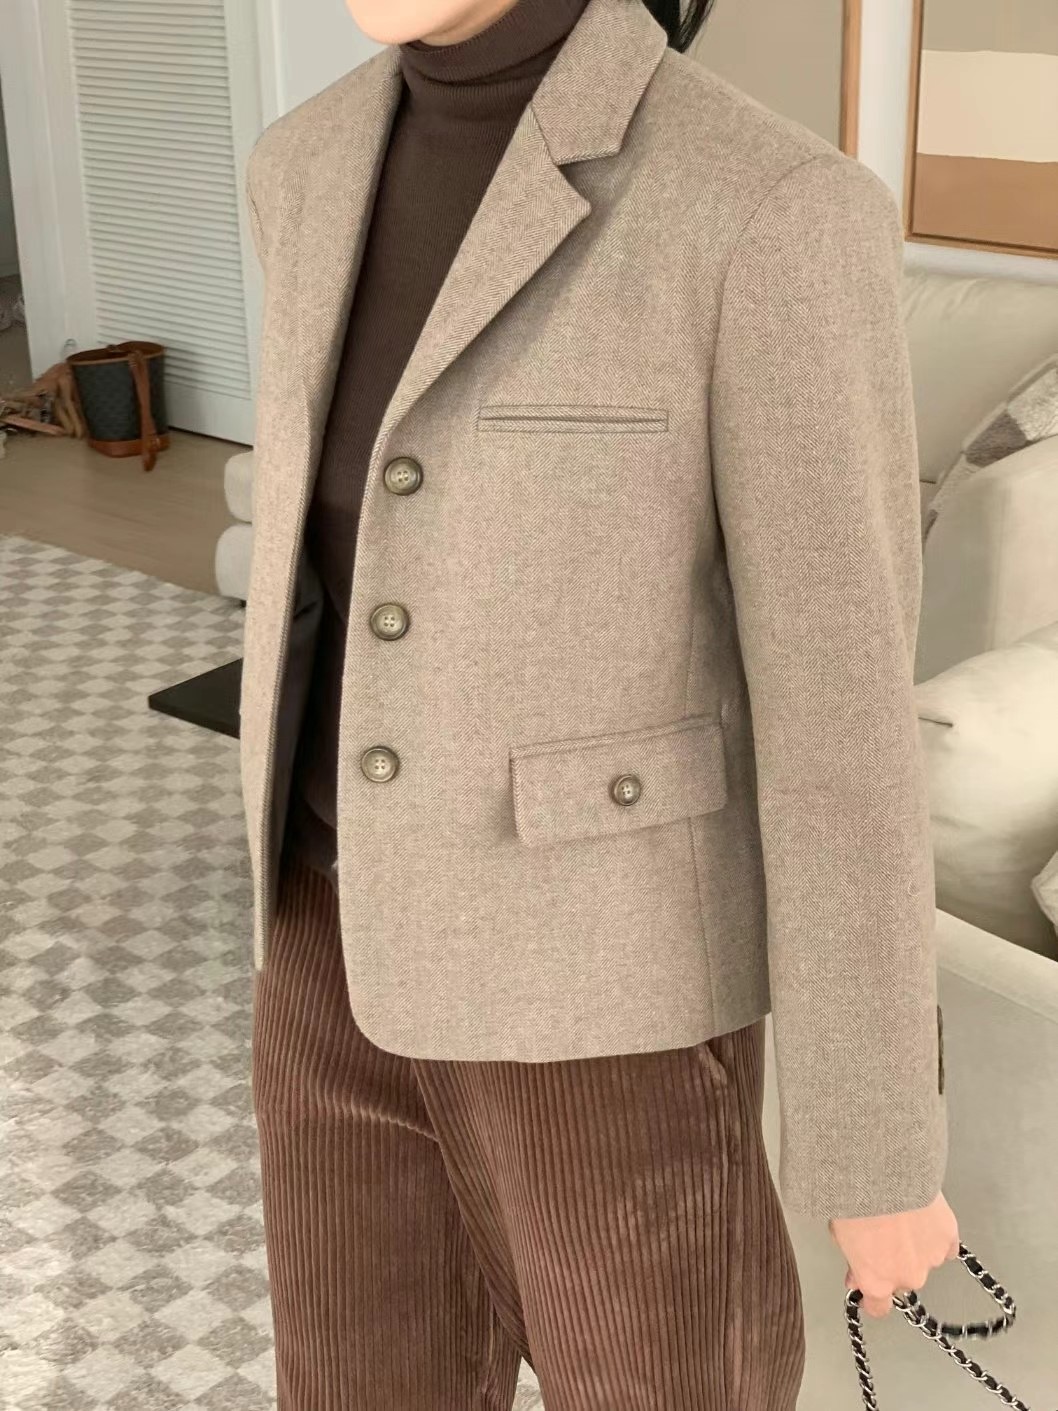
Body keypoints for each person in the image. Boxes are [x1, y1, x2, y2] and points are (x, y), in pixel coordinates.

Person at [241, 0, 961, 1405]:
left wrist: (875, 1146)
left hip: (609, 1002)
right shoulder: (301, 165)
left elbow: (840, 717)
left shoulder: (766, 206)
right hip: (326, 950)